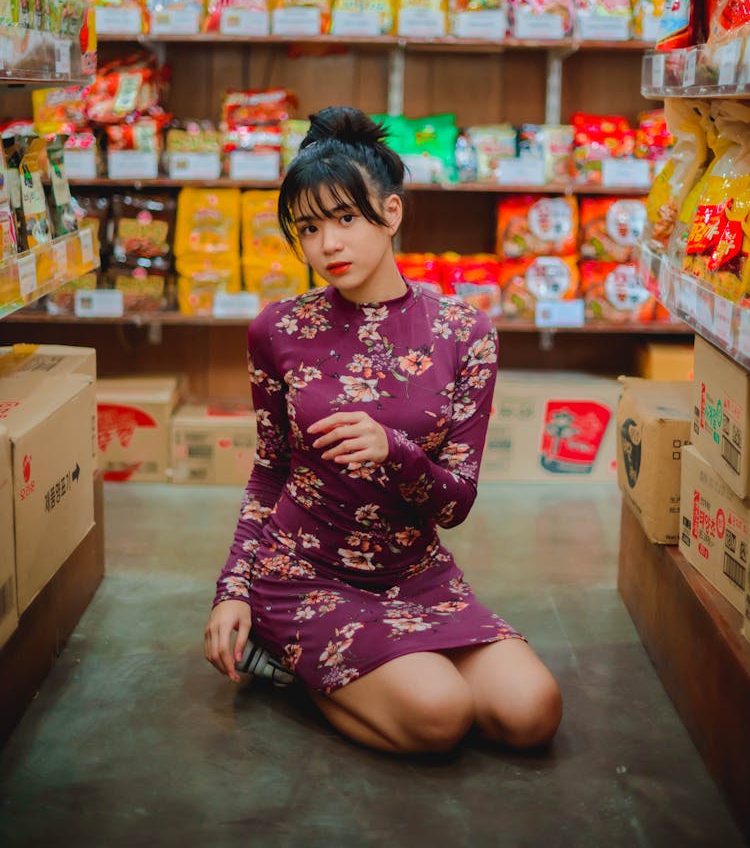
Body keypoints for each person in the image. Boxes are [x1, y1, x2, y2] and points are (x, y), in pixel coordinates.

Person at [204, 107, 562, 755]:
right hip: (302, 572)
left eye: (345, 218)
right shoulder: (277, 330)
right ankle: (296, 664)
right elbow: (269, 472)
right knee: (441, 716)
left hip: (414, 570)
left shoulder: (464, 332)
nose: (328, 245)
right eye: (308, 229)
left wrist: (392, 453)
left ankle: (368, 669)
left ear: (391, 214)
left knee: (534, 713)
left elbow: (456, 503)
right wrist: (232, 590)